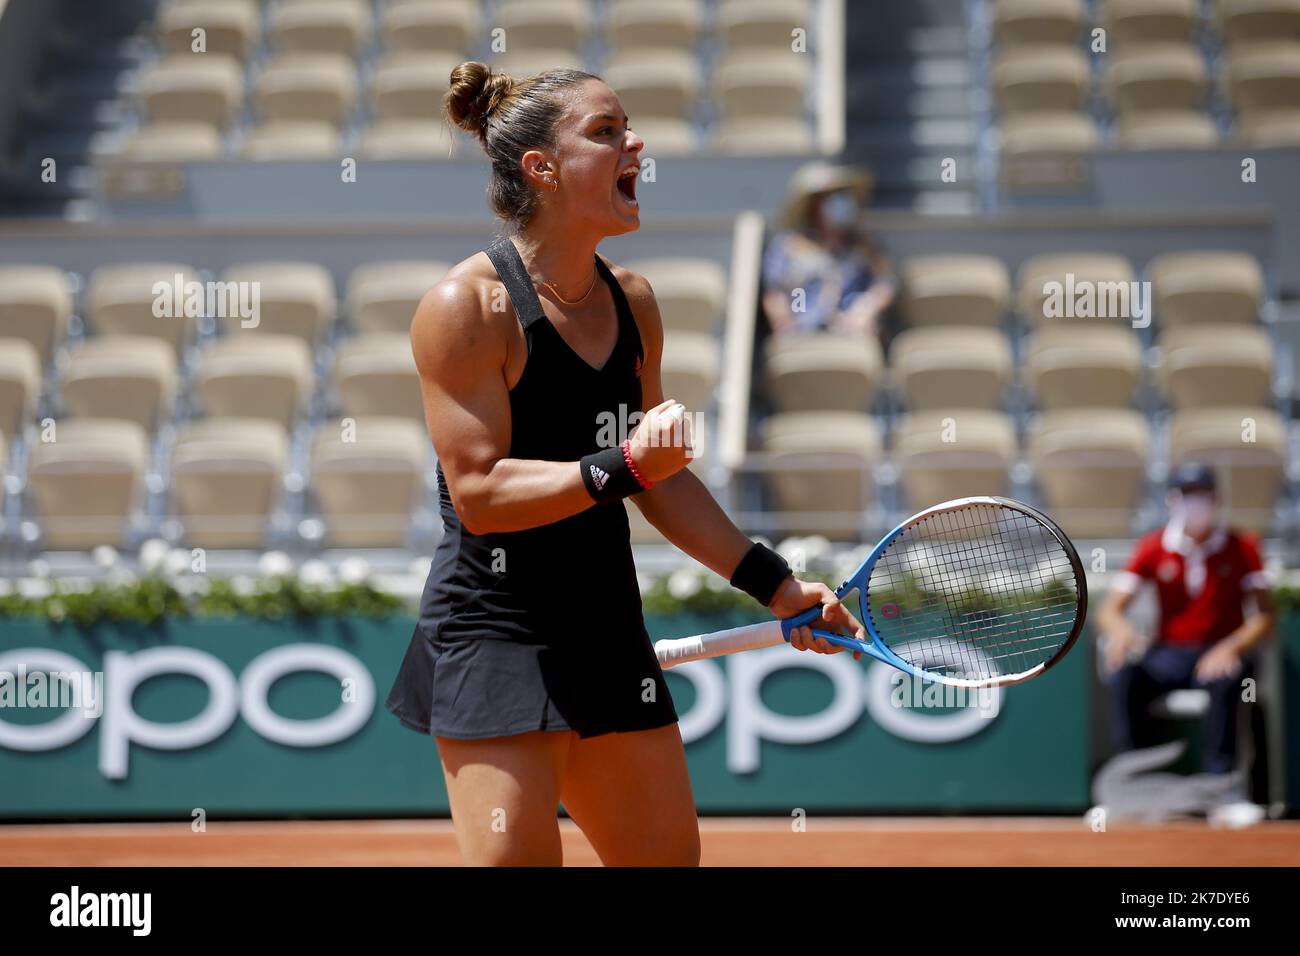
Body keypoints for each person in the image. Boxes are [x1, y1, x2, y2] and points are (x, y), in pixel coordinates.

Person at [385, 62, 866, 866]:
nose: (634, 142)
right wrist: (622, 467)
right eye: (606, 132)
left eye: (628, 127)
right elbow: (479, 495)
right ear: (541, 168)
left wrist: (778, 585)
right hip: (494, 632)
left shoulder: (635, 302)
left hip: (607, 629)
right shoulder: (465, 308)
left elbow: (662, 481)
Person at [1096, 462, 1274, 776]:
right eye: (1187, 493)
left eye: (1201, 493)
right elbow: (1109, 610)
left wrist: (1230, 648)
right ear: (1172, 500)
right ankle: (1137, 777)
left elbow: (1264, 617)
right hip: (1170, 654)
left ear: (1216, 499)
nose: (1194, 502)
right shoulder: (1153, 547)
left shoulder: (1244, 547)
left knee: (1229, 679)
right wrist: (1121, 633)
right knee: (1125, 677)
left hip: (1220, 651)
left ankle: (1220, 786)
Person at [760, 161, 897, 338]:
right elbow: (775, 294)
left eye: (842, 195)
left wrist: (865, 308)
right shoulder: (789, 246)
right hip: (804, 332)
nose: (840, 201)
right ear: (813, 205)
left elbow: (885, 284)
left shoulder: (864, 245)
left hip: (853, 332)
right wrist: (787, 327)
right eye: (829, 196)